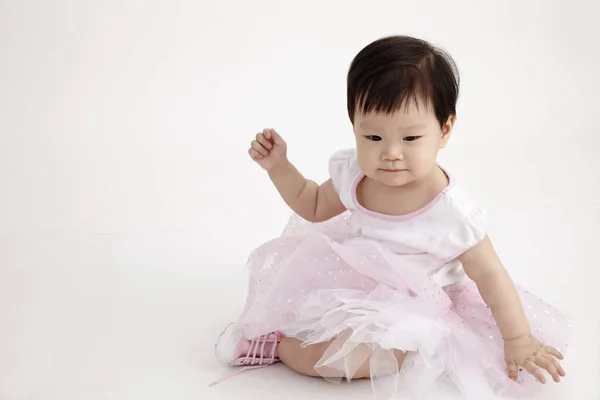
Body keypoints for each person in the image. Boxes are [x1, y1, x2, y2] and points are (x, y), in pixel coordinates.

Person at [210, 35, 571, 399]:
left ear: (444, 130)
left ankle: (279, 347)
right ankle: (274, 332)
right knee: (306, 309)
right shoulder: (355, 174)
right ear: (354, 126)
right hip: (353, 279)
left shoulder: (450, 213)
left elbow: (491, 275)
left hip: (419, 304)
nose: (391, 153)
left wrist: (518, 339)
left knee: (367, 359)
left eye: (411, 138)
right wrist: (279, 167)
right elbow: (313, 205)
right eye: (373, 137)